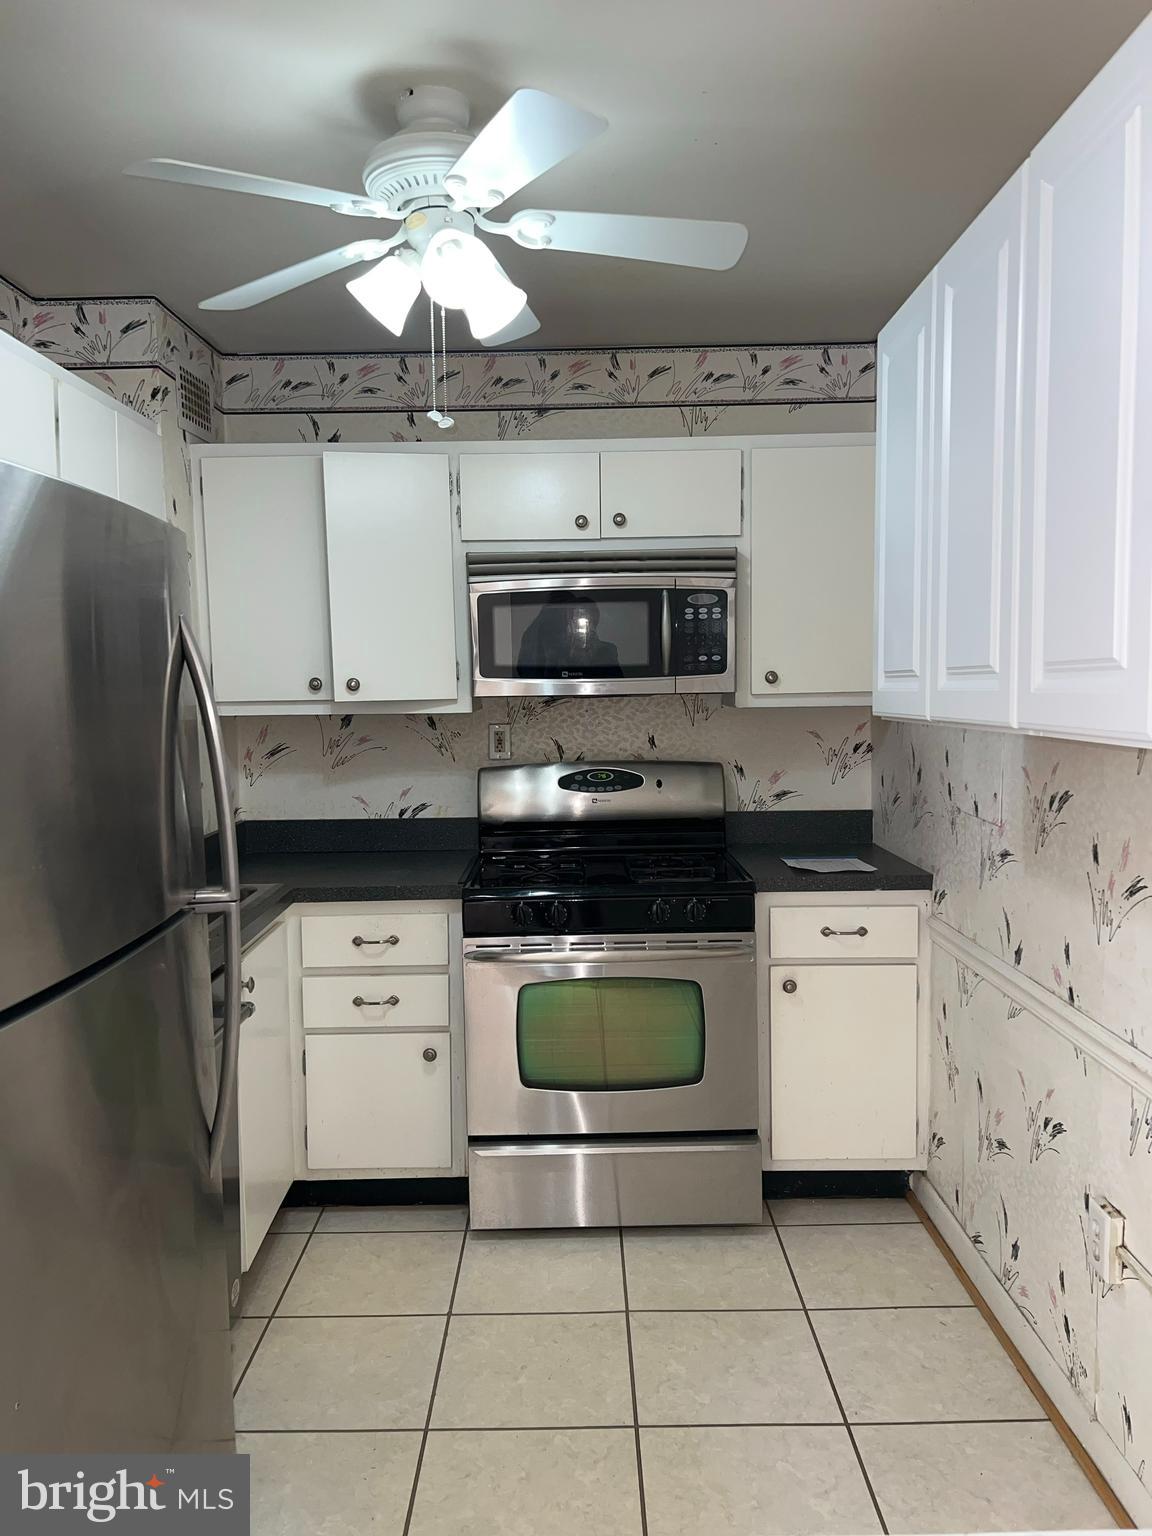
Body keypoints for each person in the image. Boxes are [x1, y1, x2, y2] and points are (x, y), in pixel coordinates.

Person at [517, 599, 622, 675]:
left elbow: (616, 687)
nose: (580, 627)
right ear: (568, 623)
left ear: (594, 623)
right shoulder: (555, 651)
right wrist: (569, 653)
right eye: (574, 620)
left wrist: (593, 650)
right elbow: (547, 686)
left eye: (586, 621)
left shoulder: (607, 650)